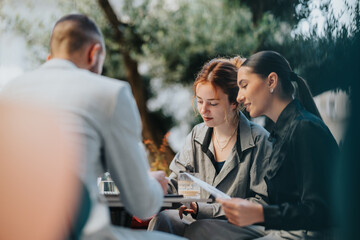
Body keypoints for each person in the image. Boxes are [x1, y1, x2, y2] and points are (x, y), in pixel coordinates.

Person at [1, 14, 184, 240]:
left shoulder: (9, 91)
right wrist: (155, 186)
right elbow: (143, 205)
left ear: (50, 58)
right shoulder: (110, 93)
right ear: (94, 53)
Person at [184, 51, 339, 239]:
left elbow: (322, 212)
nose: (239, 97)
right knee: (197, 229)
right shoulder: (281, 133)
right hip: (280, 229)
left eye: (244, 86)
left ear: (271, 82)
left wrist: (260, 213)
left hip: (308, 234)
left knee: (200, 231)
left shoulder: (304, 129)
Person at [148, 57, 272, 236]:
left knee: (200, 227)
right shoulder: (196, 136)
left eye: (213, 103)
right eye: (199, 101)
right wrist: (154, 187)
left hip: (244, 227)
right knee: (163, 220)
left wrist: (203, 209)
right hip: (199, 221)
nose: (203, 110)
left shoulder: (260, 141)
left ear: (235, 102)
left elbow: (262, 203)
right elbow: (179, 186)